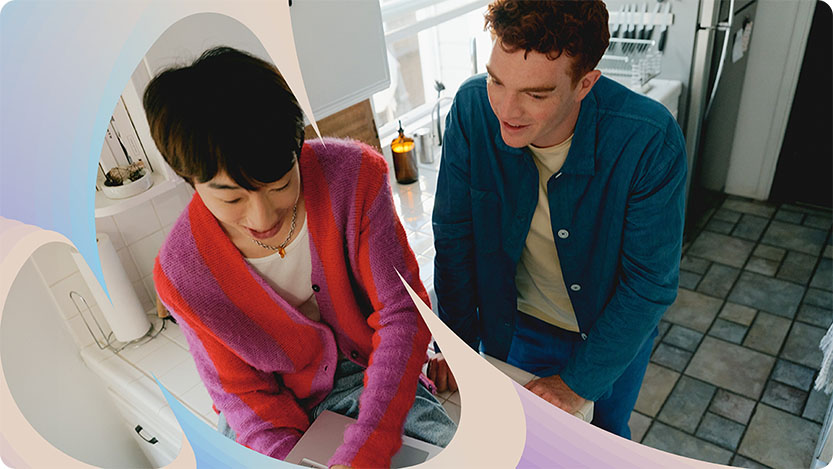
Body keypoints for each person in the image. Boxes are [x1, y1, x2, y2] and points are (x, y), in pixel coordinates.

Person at [147, 47, 456, 468]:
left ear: (298, 148)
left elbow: (402, 314)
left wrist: (364, 451)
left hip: (373, 379)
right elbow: (245, 399)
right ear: (191, 181)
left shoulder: (355, 178)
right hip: (268, 415)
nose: (261, 216)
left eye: (279, 186)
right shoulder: (181, 275)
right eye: (232, 197)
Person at [428, 0, 686, 439]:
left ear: (585, 84)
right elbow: (454, 239)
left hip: (610, 332)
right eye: (497, 80)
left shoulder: (649, 140)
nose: (506, 109)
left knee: (603, 438)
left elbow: (648, 286)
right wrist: (455, 343)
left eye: (536, 94)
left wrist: (574, 386)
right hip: (514, 324)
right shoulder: (472, 110)